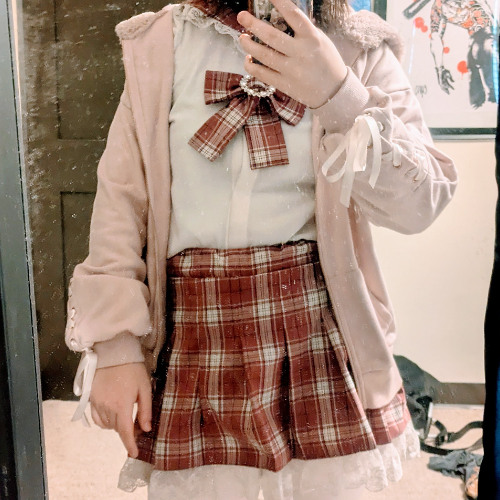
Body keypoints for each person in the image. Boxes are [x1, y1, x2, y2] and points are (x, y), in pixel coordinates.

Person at [64, 0, 458, 498]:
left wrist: (338, 94)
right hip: (193, 335)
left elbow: (422, 204)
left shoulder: (359, 47)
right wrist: (117, 345)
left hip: (317, 333)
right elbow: (120, 202)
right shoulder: (162, 42)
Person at [429, 0, 496, 108]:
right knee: (476, 96)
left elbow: (489, 14)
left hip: (488, 38)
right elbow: (435, 38)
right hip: (477, 40)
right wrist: (440, 70)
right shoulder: (439, 6)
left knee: (484, 48)